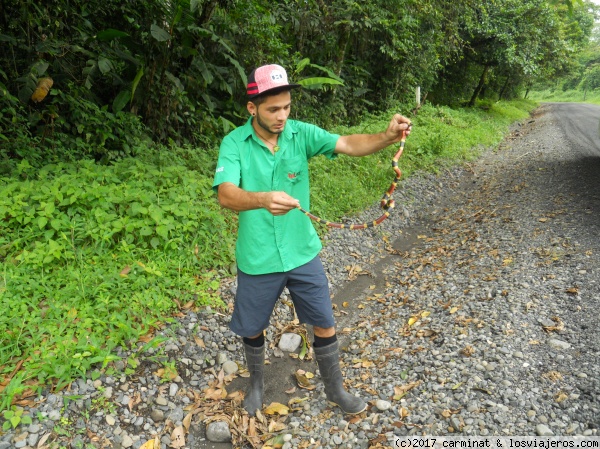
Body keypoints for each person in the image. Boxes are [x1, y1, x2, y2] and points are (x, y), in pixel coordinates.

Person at [212, 64, 411, 416]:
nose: (282, 116)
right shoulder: (233, 144)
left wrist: (387, 136)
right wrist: (260, 199)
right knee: (253, 326)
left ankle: (335, 389)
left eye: (287, 107)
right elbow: (226, 195)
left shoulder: (299, 133)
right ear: (252, 108)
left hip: (302, 251)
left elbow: (347, 143)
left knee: (324, 319)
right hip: (257, 255)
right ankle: (256, 383)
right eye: (273, 109)